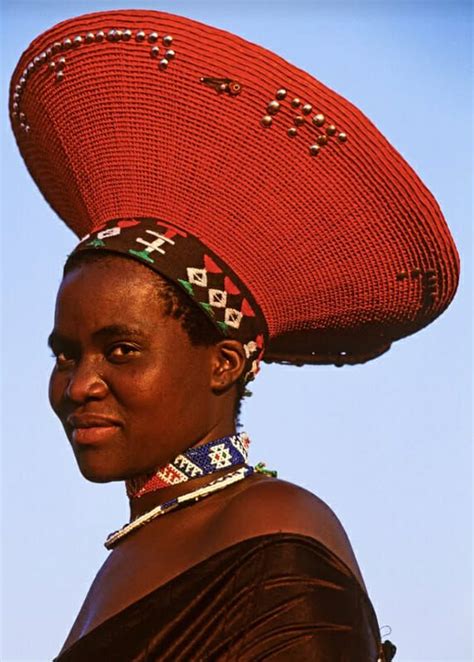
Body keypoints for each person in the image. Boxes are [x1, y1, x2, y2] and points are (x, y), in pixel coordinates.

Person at [9, 8, 458, 661]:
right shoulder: (136, 551)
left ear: (222, 364)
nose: (80, 385)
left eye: (121, 350)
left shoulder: (274, 538)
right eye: (67, 355)